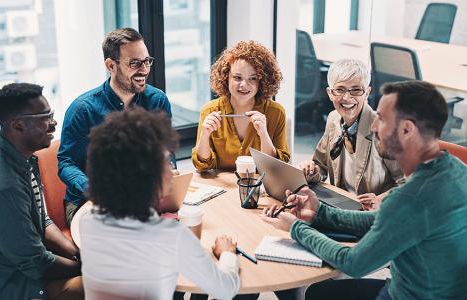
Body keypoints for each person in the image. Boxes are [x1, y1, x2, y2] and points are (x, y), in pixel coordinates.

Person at [262, 80, 467, 299]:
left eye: (382, 118)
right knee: (320, 292)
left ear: (407, 129)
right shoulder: (455, 169)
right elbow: (380, 220)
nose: (373, 126)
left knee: (317, 294)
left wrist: (297, 228)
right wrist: (319, 212)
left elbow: (353, 263)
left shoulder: (410, 198)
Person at [79, 107, 240, 299]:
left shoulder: (87, 221)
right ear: (146, 174)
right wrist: (227, 254)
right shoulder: (170, 235)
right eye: (164, 160)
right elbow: (226, 290)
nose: (171, 168)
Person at [0, 83, 83, 299]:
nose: (54, 123)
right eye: (45, 117)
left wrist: (77, 254)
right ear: (18, 125)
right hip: (5, 287)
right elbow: (36, 263)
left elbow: (42, 220)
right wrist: (88, 268)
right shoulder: (1, 186)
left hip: (22, 269)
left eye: (52, 114)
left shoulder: (21, 158)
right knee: (101, 285)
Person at [58, 27, 173, 226]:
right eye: (135, 63)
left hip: (142, 196)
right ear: (111, 65)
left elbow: (166, 151)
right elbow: (66, 163)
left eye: (147, 61)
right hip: (89, 201)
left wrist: (169, 169)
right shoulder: (82, 109)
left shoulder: (158, 101)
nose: (144, 70)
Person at [299, 59, 403, 210]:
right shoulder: (333, 119)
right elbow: (320, 167)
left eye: (356, 90)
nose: (347, 98)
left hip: (372, 216)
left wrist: (382, 200)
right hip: (340, 207)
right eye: (340, 89)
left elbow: (411, 183)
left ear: (367, 93)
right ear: (330, 93)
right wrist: (311, 171)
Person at [192, 40, 290, 172]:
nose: (244, 85)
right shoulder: (209, 111)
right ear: (226, 77)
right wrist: (205, 135)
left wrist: (263, 134)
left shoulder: (276, 112)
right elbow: (202, 166)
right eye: (237, 77)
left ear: (262, 80)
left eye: (252, 78)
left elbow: (278, 167)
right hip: (223, 188)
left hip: (260, 188)